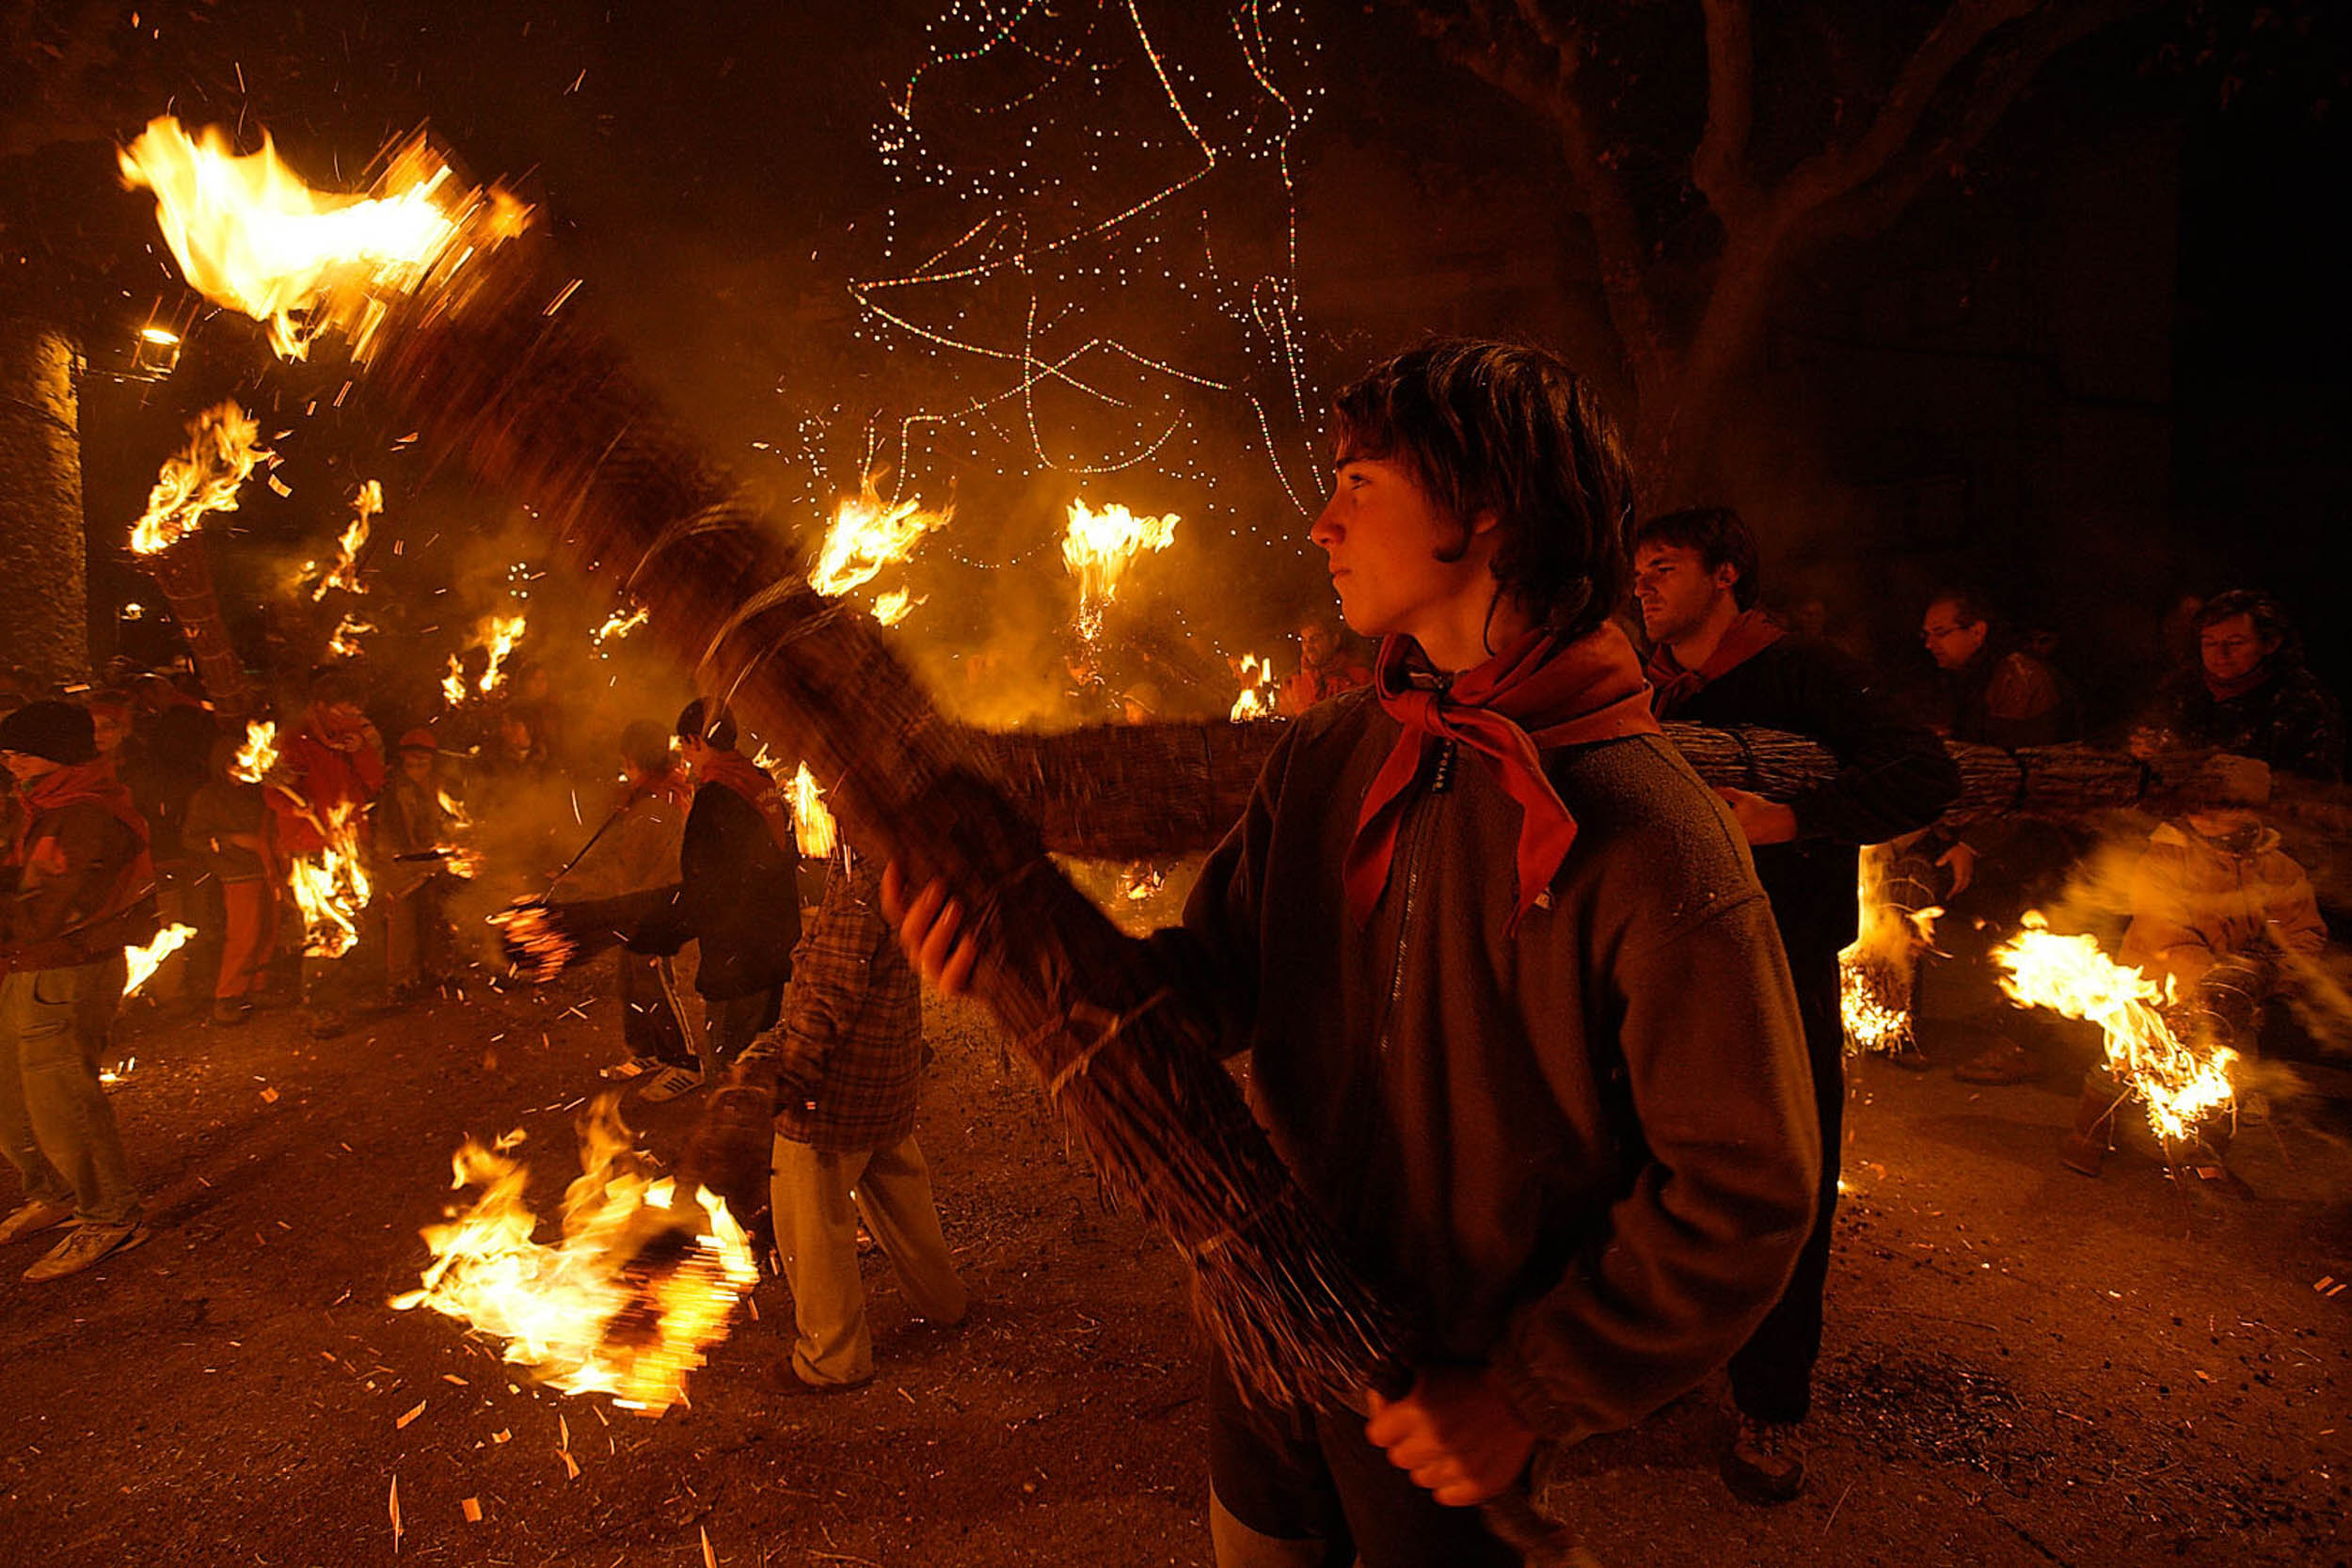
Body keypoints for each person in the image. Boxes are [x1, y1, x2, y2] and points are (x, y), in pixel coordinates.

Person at [888, 339, 1820, 1566]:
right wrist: (1017, 960)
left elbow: (1745, 1187)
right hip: (1264, 1326)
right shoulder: (1331, 754)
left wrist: (1532, 1388)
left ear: (1486, 507)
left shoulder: (1649, 836)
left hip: (1440, 1394)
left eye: (1360, 484)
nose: (1322, 525)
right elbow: (1210, 980)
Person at [1632, 506, 1960, 1503]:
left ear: (1727, 574)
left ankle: (1771, 1401)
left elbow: (1923, 770)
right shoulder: (1643, 685)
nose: (1640, 583)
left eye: (1664, 566)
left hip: (1774, 967)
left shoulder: (1804, 672)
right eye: (1635, 567)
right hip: (1658, 968)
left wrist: (1792, 816)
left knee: (1784, 1185)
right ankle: (1659, 1358)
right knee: (1649, 1171)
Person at [756, 842, 967, 1390]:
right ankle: (944, 1304)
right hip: (887, 1071)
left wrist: (787, 1073)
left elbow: (830, 988)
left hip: (835, 1090)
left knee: (812, 1219)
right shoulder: (903, 854)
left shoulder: (862, 868)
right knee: (900, 1192)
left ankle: (832, 1359)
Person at [2062, 761, 2327, 1179]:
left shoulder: (2278, 868)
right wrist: (2210, 979)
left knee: (2230, 1075)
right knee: (2124, 1064)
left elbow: (2302, 931)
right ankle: (2087, 1138)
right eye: (2202, 804)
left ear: (2253, 810)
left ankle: (2205, 1154)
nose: (2209, 814)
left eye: (2226, 806)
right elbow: (2163, 932)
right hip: (2157, 985)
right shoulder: (2167, 857)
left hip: (2237, 998)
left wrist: (2267, 972)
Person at [0, 702, 154, 1281]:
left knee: (62, 1095)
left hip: (67, 968)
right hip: (28, 965)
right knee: (12, 1091)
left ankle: (111, 1214)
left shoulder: (85, 814)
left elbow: (49, 907)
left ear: (58, 753)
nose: (7, 759)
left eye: (19, 750)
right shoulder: (45, 803)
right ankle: (57, 1190)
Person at [628, 699, 802, 1088]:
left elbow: (703, 888)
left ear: (696, 741)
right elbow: (787, 859)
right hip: (773, 950)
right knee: (760, 1054)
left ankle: (743, 1138)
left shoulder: (716, 798)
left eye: (686, 748)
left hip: (737, 961)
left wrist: (658, 931)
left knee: (731, 1071)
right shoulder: (761, 782)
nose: (685, 758)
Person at [571, 721, 697, 1101]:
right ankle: (647, 1052)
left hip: (654, 907)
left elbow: (633, 864)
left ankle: (685, 1062)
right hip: (635, 905)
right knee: (630, 980)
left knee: (655, 981)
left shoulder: (657, 803)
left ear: (631, 760)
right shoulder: (645, 796)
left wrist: (586, 883)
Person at [2141, 590, 2343, 784]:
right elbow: (2150, 745)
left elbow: (2318, 789)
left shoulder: (2303, 703)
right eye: (2210, 643)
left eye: (2235, 643)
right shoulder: (2181, 688)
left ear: (2270, 643)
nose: (2221, 654)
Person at [184, 734, 280, 1024]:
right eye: (233, 765)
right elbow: (192, 838)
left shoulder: (259, 793)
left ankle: (257, 986)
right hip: (236, 873)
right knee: (244, 935)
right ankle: (228, 995)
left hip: (268, 869)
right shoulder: (209, 797)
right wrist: (232, 840)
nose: (240, 771)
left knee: (268, 929)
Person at [370, 730, 453, 1007]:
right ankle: (402, 981)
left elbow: (450, 823)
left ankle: (436, 970)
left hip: (434, 861)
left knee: (436, 917)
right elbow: (384, 834)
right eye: (411, 765)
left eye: (423, 764)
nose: (417, 770)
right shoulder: (390, 790)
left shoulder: (441, 787)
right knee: (402, 925)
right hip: (401, 866)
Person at [1276, 609, 1373, 717]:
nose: (1308, 647)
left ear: (1335, 640)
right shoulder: (1292, 683)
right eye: (1304, 641)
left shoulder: (1359, 679)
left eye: (1315, 639)